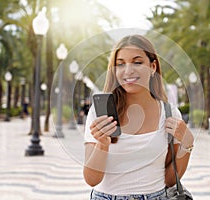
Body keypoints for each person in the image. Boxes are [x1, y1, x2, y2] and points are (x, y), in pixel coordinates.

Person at [83, 35, 194, 200]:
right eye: (120, 64)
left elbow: (170, 180)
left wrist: (187, 143)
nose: (128, 71)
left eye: (137, 62)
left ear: (153, 66)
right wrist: (102, 144)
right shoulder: (100, 113)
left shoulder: (170, 113)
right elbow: (92, 180)